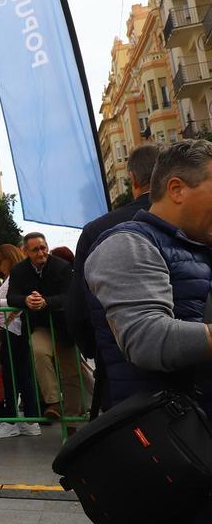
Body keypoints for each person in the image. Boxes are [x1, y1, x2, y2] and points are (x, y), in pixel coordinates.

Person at [84, 139, 212, 524]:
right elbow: (147, 339)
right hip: (173, 459)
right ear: (176, 188)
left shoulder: (195, 245)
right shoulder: (127, 245)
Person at [68, 143, 158, 414]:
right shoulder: (194, 222)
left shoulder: (97, 230)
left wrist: (97, 348)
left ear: (132, 179)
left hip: (120, 369)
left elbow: (78, 309)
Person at [7, 232, 86, 424]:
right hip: (40, 325)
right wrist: (26, 300)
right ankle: (53, 401)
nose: (41, 253)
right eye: (35, 250)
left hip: (65, 327)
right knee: (39, 351)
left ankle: (72, 420)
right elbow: (11, 297)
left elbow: (69, 296)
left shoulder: (62, 267)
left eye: (43, 248)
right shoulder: (18, 270)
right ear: (25, 252)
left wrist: (46, 302)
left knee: (71, 373)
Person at [0, 244, 41, 439]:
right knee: (21, 376)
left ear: (9, 258)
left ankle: (13, 421)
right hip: (13, 329)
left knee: (14, 377)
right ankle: (29, 420)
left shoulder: (19, 276)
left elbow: (17, 301)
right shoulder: (17, 275)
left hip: (15, 330)